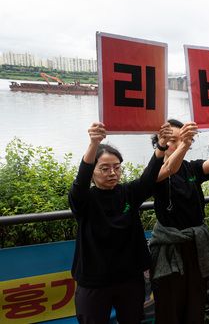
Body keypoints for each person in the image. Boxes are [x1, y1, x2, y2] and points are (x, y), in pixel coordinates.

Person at [148, 119, 209, 324]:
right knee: (170, 304)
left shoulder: (190, 168)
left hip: (195, 245)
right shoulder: (155, 171)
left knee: (195, 300)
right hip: (171, 249)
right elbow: (169, 169)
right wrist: (184, 144)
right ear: (160, 142)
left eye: (181, 139)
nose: (176, 144)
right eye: (172, 140)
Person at [69, 122, 167, 323]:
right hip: (94, 281)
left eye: (116, 167)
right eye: (104, 168)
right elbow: (80, 182)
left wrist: (162, 147)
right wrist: (94, 144)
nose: (112, 173)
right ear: (93, 172)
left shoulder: (128, 193)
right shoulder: (84, 199)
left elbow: (148, 179)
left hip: (130, 278)